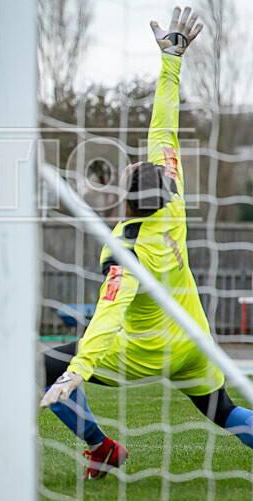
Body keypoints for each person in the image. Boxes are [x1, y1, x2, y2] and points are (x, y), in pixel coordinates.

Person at [40, 6, 253, 479]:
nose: (129, 167)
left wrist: (78, 368)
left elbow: (110, 311)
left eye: (126, 175)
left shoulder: (127, 248)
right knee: (222, 411)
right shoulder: (171, 201)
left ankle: (102, 448)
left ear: (127, 200)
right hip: (194, 340)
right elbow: (164, 126)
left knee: (48, 364)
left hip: (145, 348)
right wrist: (171, 62)